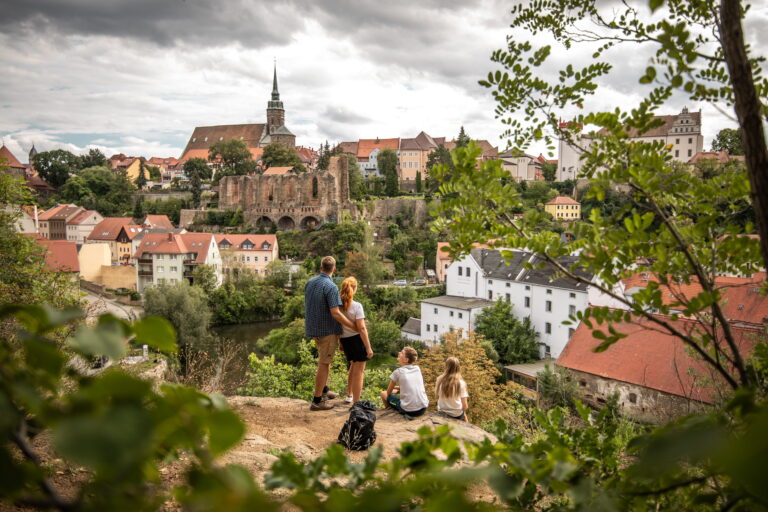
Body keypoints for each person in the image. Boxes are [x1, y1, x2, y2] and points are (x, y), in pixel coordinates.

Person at [304, 256, 358, 411]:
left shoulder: (310, 282)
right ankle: (317, 400)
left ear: (321, 267)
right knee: (324, 363)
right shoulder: (331, 286)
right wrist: (353, 326)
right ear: (334, 269)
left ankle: (324, 390)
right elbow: (335, 313)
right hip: (327, 331)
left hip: (313, 328)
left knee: (323, 359)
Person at [339, 277, 373, 404]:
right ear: (354, 289)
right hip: (357, 341)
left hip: (345, 341)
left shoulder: (338, 306)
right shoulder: (357, 306)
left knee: (353, 366)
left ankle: (350, 395)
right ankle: (357, 403)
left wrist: (340, 342)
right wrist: (368, 347)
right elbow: (362, 328)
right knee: (359, 372)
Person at [380, 346, 428, 419]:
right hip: (423, 408)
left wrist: (396, 389)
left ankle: (389, 411)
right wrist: (399, 389)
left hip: (409, 411)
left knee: (383, 393)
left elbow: (388, 392)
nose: (399, 353)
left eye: (402, 353)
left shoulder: (397, 372)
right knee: (395, 392)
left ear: (406, 359)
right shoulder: (417, 369)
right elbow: (410, 386)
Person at [435, 357, 469, 421]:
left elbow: (438, 396)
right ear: (458, 367)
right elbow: (465, 406)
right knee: (464, 415)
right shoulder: (461, 383)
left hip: (442, 412)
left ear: (446, 366)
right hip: (456, 415)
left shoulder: (439, 380)